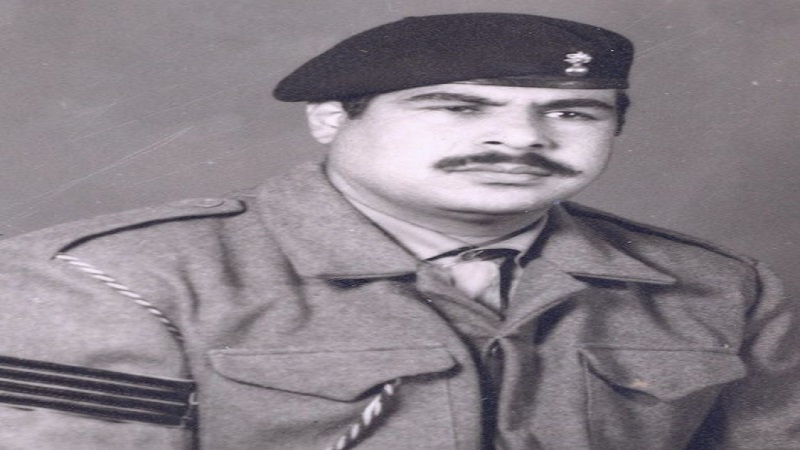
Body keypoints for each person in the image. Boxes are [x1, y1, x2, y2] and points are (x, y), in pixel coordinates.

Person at [0, 12, 797, 450]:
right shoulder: (114, 280)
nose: (520, 139)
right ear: (329, 118)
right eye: (457, 107)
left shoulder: (718, 287)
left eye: (573, 113)